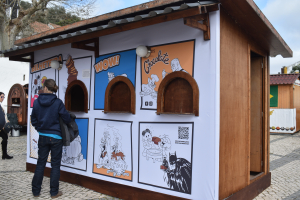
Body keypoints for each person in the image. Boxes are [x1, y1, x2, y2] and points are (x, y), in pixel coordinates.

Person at [31, 79, 71, 198]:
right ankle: (54, 192)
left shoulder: (37, 102)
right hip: (56, 138)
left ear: (45, 88)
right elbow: (67, 119)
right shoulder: (58, 102)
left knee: (40, 164)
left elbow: (33, 120)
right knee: (55, 165)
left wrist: (40, 129)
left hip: (43, 137)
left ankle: (35, 191)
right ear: (52, 89)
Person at [0, 92, 13, 160]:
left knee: (5, 138)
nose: (3, 98)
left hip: (2, 127)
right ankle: (4, 154)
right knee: (5, 138)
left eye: (3, 97)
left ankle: (4, 154)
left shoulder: (0, 106)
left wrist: (6, 121)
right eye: (2, 97)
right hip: (0, 127)